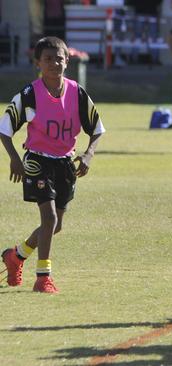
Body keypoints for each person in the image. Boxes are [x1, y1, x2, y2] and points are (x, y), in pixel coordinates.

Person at [0, 36, 105, 293]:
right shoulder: (29, 95)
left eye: (59, 58)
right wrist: (14, 158)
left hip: (65, 164)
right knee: (49, 217)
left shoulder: (78, 93)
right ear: (38, 62)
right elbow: (4, 129)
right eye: (48, 59)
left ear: (67, 61)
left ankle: (16, 256)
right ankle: (42, 277)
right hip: (37, 160)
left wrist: (89, 154)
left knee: (55, 226)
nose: (54, 63)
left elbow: (97, 129)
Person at [129, 0, 163, 65]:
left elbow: (131, 2)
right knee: (153, 37)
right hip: (151, 11)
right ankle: (154, 59)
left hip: (140, 11)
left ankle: (133, 58)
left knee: (137, 36)